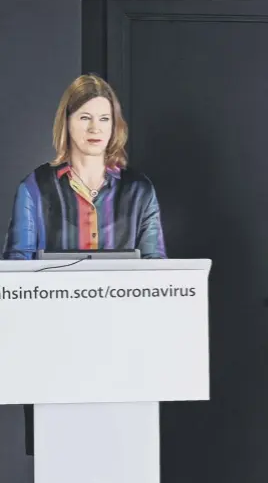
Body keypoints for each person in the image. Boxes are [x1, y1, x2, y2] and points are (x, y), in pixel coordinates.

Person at [3, 73, 167, 456]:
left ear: (116, 127)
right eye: (84, 118)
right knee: (62, 455)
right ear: (67, 122)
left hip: (125, 347)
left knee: (122, 453)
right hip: (55, 348)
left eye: (104, 119)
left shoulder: (139, 190)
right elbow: (16, 267)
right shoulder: (35, 187)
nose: (95, 128)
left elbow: (157, 268)